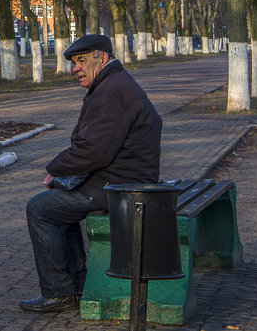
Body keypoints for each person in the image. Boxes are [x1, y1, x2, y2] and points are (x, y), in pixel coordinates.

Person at [19, 33, 162, 313]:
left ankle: (59, 293)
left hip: (121, 187)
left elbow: (94, 151)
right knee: (58, 201)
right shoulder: (114, 84)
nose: (76, 68)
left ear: (103, 58)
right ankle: (77, 286)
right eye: (74, 62)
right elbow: (96, 147)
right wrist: (62, 177)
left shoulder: (111, 90)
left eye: (82, 61)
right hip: (122, 180)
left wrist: (54, 170)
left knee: (39, 208)